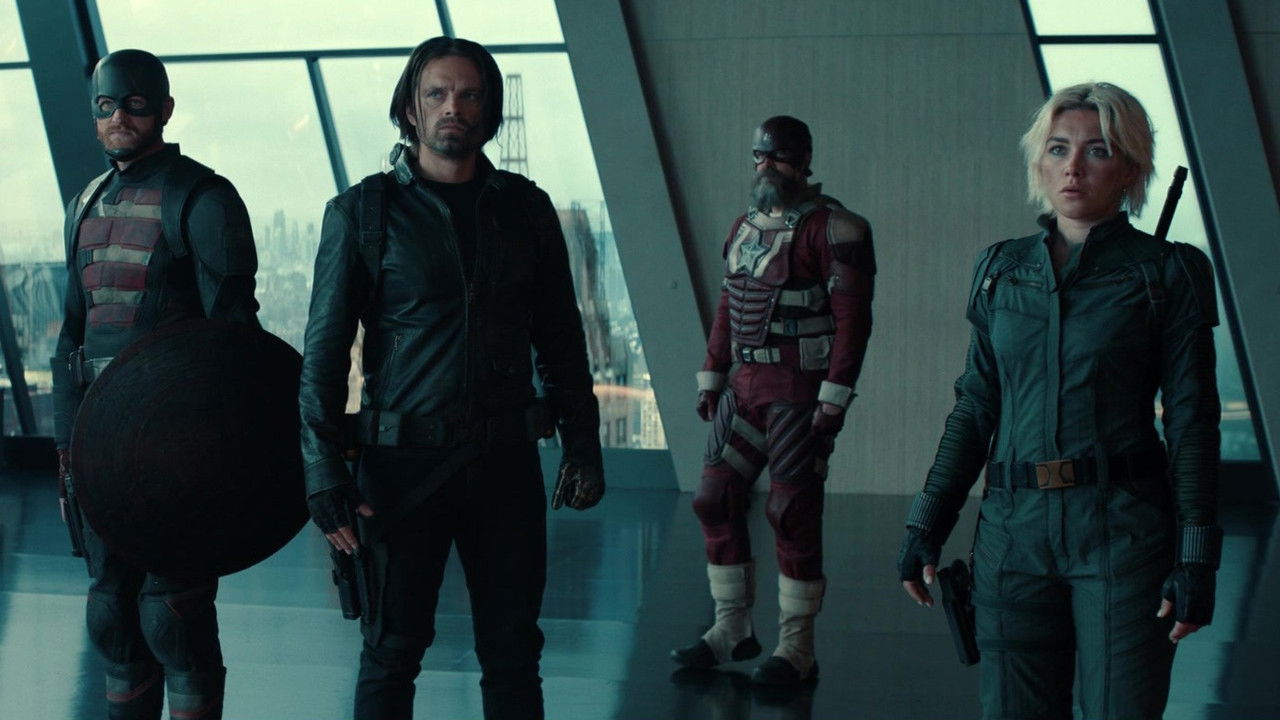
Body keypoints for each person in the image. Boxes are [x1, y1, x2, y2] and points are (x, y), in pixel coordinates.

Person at [298, 36, 605, 720]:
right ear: (410, 107)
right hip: (401, 466)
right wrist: (322, 471)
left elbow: (560, 338)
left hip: (504, 463)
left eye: (469, 95)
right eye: (436, 93)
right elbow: (323, 354)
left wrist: (582, 443)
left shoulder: (526, 208)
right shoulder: (363, 212)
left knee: (513, 653)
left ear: (489, 110)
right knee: (391, 650)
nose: (452, 108)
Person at [898, 82, 1222, 720]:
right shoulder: (999, 270)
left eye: (1097, 150)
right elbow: (975, 407)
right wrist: (924, 524)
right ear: (1039, 163)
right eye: (1058, 148)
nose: (1073, 166)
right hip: (1011, 535)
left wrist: (1196, 558)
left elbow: (1192, 424)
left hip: (1122, 533)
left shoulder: (1169, 271)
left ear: (1129, 168)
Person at [51, 49, 260, 720]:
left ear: (165, 109)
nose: (119, 117)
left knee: (174, 613)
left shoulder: (203, 198)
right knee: (112, 612)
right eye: (106, 105)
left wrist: (226, 455)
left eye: (136, 103)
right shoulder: (85, 203)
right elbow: (71, 338)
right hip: (97, 445)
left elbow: (236, 341)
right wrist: (65, 451)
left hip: (179, 446)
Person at [671, 116, 876, 686]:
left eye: (779, 156)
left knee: (790, 509)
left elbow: (853, 322)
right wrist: (712, 374)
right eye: (760, 156)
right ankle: (730, 627)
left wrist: (834, 396)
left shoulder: (836, 230)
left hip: (797, 392)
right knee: (713, 498)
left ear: (804, 161)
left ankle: (796, 646)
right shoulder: (743, 227)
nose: (767, 166)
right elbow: (729, 305)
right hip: (744, 389)